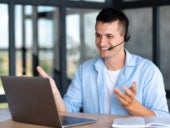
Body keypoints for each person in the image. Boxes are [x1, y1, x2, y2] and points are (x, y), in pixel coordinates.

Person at [37, 8, 169, 117]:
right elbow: (66, 113)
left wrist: (134, 108)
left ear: (124, 37)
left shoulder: (148, 71)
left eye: (109, 36)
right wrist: (54, 92)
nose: (102, 43)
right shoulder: (84, 71)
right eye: (98, 35)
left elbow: (164, 120)